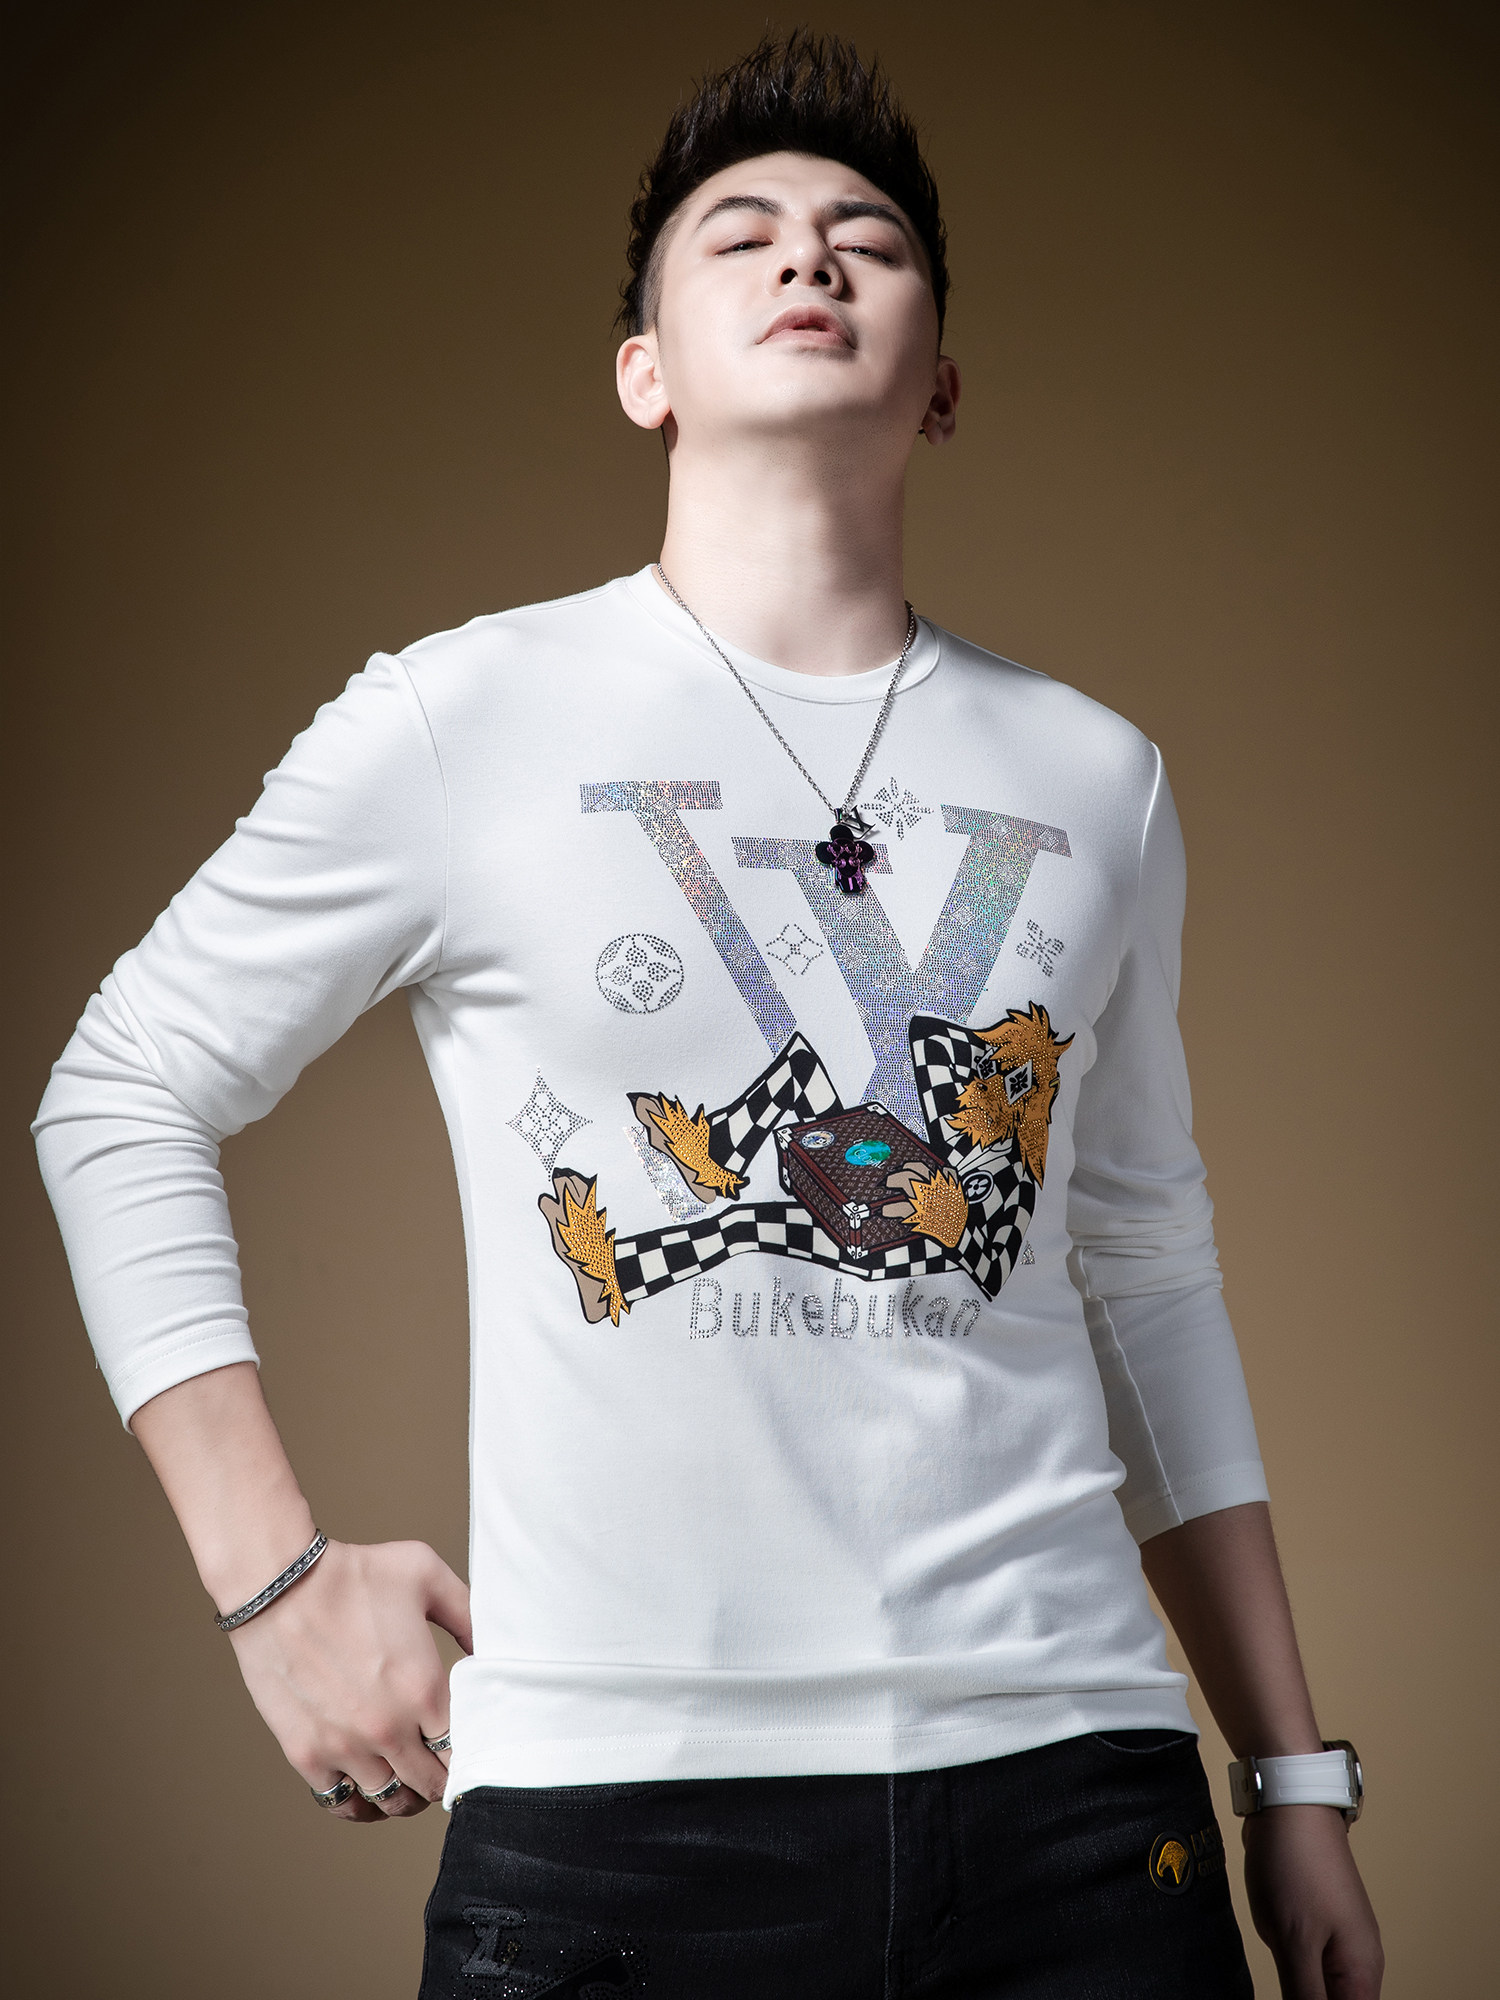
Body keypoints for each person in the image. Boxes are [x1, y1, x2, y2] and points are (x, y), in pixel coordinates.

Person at [34, 32, 1383, 2000]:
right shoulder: (461, 720)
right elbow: (122, 1085)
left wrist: (1294, 1774)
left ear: (943, 383)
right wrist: (273, 1584)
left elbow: (1148, 1274)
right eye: (738, 234)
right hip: (620, 1824)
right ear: (643, 372)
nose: (809, 254)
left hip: (1082, 1801)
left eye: (869, 239)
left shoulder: (1101, 779)